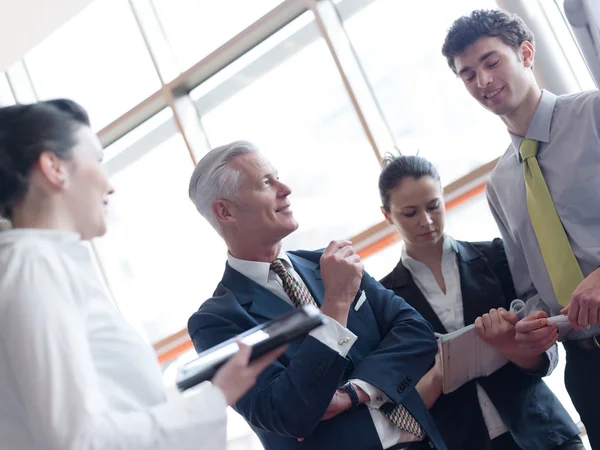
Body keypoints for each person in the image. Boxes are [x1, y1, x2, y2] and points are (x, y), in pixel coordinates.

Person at [0, 99, 284, 450]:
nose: (109, 185)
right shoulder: (33, 266)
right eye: (97, 162)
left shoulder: (41, 264)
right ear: (54, 168)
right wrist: (217, 395)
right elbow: (77, 439)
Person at [187, 141, 447, 450]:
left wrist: (355, 392)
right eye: (266, 183)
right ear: (224, 210)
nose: (285, 189)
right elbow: (287, 412)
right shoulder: (216, 322)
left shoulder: (327, 262)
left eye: (278, 177)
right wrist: (335, 304)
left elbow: (418, 333)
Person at [441, 9, 600, 446]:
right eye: (468, 74)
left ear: (526, 53)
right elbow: (532, 288)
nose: (483, 82)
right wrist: (531, 326)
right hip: (588, 368)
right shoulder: (501, 184)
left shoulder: (593, 113)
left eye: (491, 63)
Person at [377, 154, 583, 450]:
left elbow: (546, 353)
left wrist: (509, 344)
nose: (426, 221)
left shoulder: (497, 256)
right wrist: (437, 375)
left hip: (542, 431)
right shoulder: (384, 299)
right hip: (462, 440)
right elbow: (393, 406)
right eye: (410, 213)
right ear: (387, 215)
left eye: (434, 206)